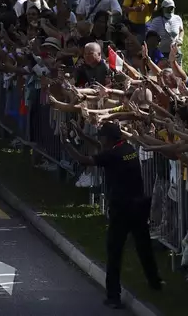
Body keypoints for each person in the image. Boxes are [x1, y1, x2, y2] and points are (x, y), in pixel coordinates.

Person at [59, 122, 162, 309]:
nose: (100, 139)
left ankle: (113, 296)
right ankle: (155, 282)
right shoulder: (127, 148)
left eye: (102, 137)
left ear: (110, 139)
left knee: (114, 252)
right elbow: (101, 150)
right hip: (138, 206)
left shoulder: (113, 155)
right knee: (144, 247)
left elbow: (84, 160)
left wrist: (66, 144)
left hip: (122, 209)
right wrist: (82, 135)